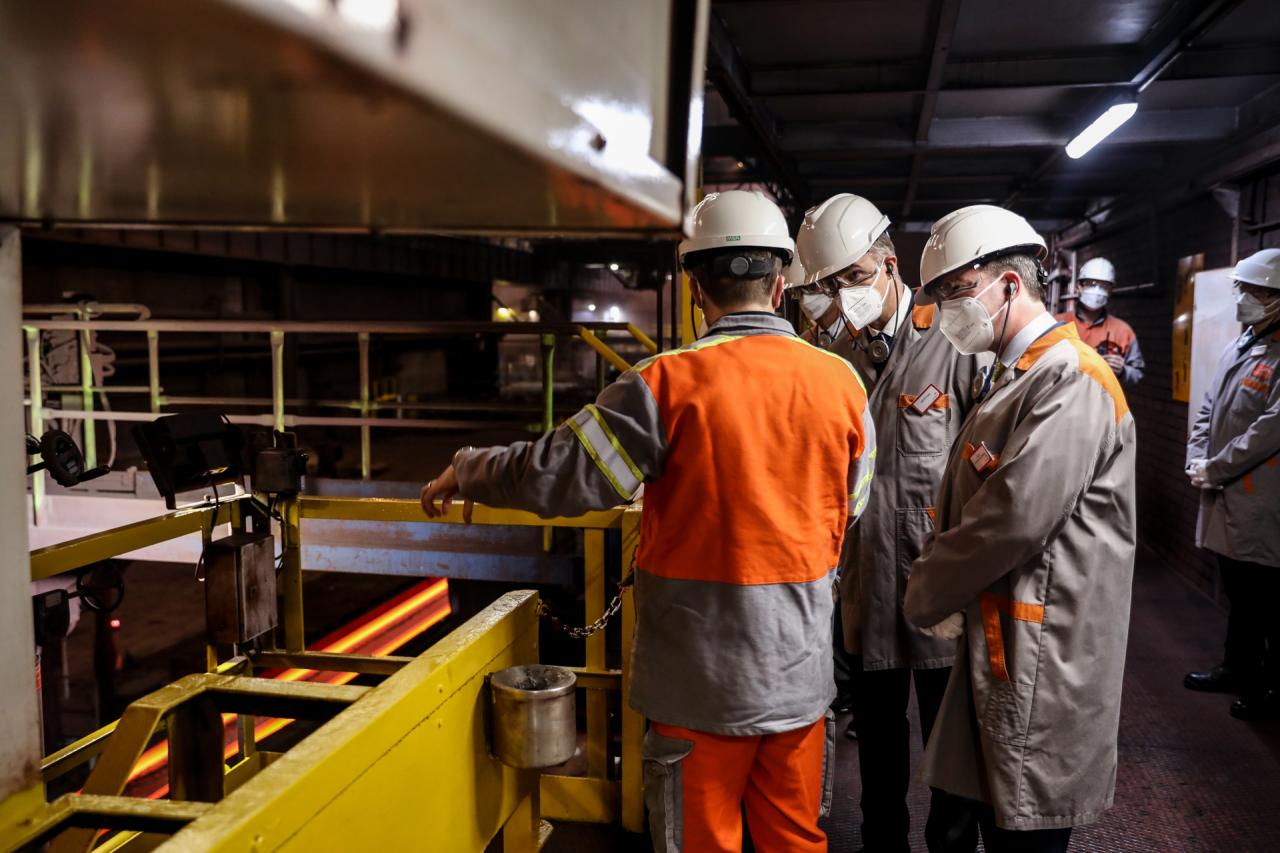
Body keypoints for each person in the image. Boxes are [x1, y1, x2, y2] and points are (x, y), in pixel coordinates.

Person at [420, 189, 876, 853]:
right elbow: (854, 502)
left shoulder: (662, 384)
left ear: (696, 288)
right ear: (781, 284)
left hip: (696, 688)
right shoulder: (843, 383)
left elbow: (560, 473)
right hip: (799, 681)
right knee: (793, 842)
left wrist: (472, 468)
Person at [903, 204, 1137, 853]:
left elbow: (1012, 517)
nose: (948, 311)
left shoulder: (1073, 379)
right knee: (953, 823)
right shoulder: (1012, 376)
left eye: (956, 292)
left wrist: (927, 587)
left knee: (1022, 835)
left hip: (1042, 652)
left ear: (1007, 284)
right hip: (996, 642)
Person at [797, 193, 991, 853]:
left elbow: (991, 461)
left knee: (949, 745)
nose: (842, 297)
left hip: (940, 585)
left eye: (853, 278)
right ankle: (884, 846)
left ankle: (952, 847)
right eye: (828, 285)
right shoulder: (830, 354)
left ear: (890, 264)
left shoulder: (954, 337)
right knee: (879, 746)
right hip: (867, 580)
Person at [1184, 247, 1280, 721]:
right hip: (1227, 488)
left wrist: (1215, 468)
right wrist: (1195, 458)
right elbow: (1209, 408)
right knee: (1240, 590)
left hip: (1260, 496)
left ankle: (1270, 688)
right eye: (1243, 289)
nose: (1244, 298)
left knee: (1267, 597)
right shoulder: (1241, 343)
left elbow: (1268, 431)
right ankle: (1237, 667)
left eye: (1255, 291)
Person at [783, 253, 859, 722]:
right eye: (799, 293)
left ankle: (848, 690)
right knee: (834, 617)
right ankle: (844, 690)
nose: (807, 301)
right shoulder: (811, 343)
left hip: (843, 505)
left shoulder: (857, 342)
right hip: (816, 509)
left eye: (813, 290)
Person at [1054, 257, 1145, 386]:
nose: (1096, 290)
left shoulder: (1123, 331)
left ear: (1111, 290)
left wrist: (1123, 371)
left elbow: (1137, 373)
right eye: (1090, 284)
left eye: (1104, 286)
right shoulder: (1056, 324)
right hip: (1062, 401)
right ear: (1078, 286)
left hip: (1103, 402)